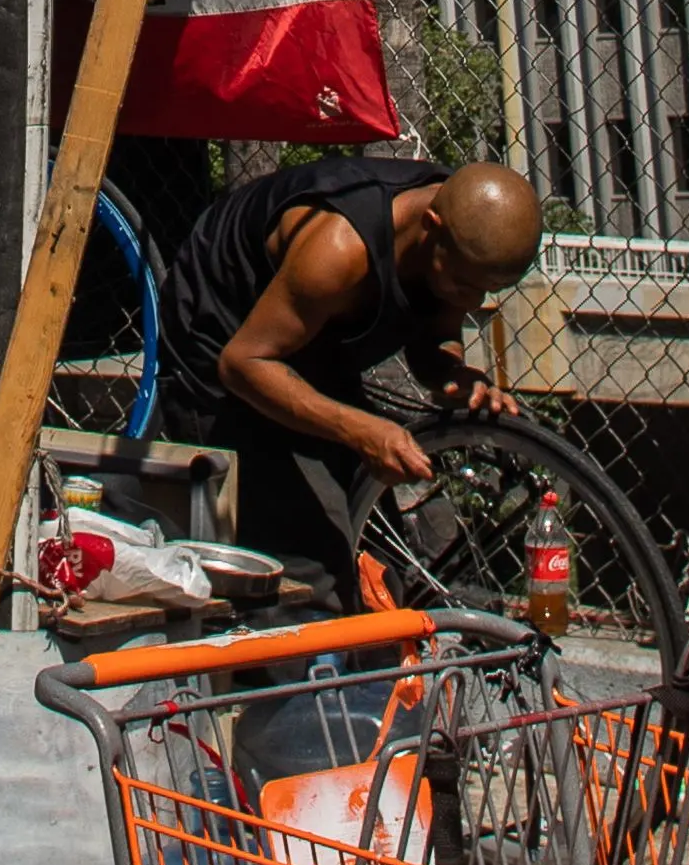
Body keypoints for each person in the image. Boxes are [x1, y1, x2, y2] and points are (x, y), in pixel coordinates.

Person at [170, 155, 548, 575]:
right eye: (465, 286)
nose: (473, 303)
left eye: (488, 291)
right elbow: (242, 363)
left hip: (307, 337)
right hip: (226, 335)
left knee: (377, 562)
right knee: (306, 568)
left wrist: (454, 375)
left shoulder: (460, 236)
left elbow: (433, 340)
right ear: (431, 227)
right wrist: (360, 430)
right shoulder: (338, 251)